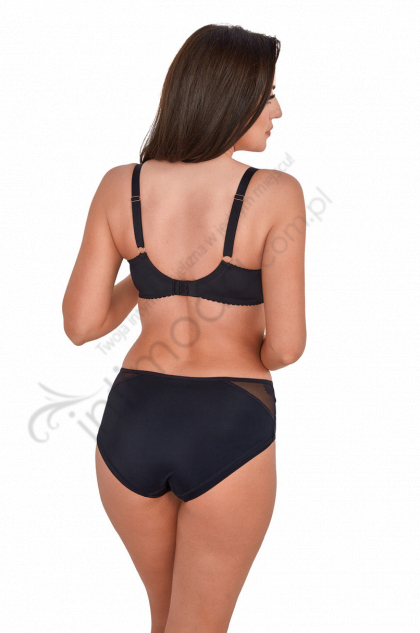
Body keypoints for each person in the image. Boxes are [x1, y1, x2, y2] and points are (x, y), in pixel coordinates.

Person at [62, 23, 306, 633]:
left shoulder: (121, 186)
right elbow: (288, 345)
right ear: (228, 95)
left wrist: (152, 277)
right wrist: (242, 347)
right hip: (228, 420)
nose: (278, 110)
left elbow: (82, 324)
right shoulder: (276, 193)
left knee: (166, 618)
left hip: (133, 421)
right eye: (268, 94)